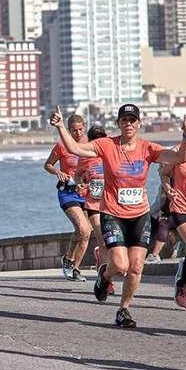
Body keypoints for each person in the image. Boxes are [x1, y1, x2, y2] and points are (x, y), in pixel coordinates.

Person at [50, 103, 186, 328]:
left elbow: (179, 158)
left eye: (132, 120)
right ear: (118, 123)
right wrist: (60, 128)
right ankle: (104, 277)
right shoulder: (107, 145)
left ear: (138, 124)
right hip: (113, 214)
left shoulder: (147, 148)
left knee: (136, 267)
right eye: (124, 120)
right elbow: (77, 150)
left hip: (139, 215)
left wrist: (185, 136)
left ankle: (124, 309)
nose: (128, 124)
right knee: (120, 265)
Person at [159, 107, 186, 311]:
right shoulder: (179, 150)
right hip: (182, 207)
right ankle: (182, 283)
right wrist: (167, 188)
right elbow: (164, 173)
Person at [43, 114, 91, 282]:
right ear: (68, 130)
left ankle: (74, 265)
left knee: (86, 232)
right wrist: (58, 172)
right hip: (68, 192)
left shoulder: (90, 144)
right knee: (83, 229)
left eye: (80, 129)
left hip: (86, 192)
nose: (77, 133)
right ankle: (69, 261)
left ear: (84, 127)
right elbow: (47, 165)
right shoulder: (62, 146)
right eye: (73, 130)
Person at [75, 125, 115, 293]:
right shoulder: (85, 157)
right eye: (95, 138)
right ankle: (107, 282)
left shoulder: (112, 155)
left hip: (111, 204)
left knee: (112, 243)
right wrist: (80, 185)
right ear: (91, 141)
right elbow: (77, 175)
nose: (99, 140)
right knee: (103, 239)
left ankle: (102, 263)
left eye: (102, 137)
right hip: (93, 204)